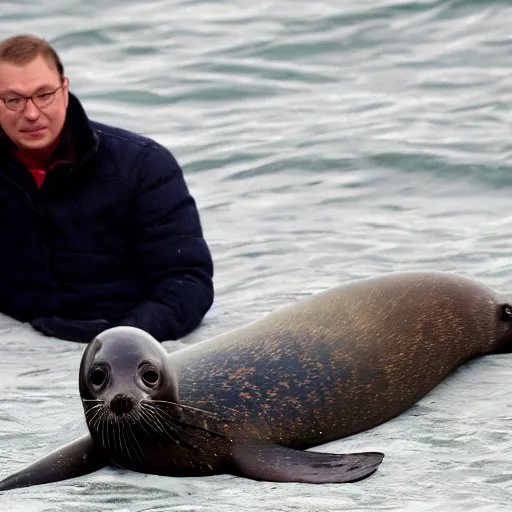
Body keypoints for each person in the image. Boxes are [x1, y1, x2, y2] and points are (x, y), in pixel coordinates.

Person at [0, 34, 214, 343]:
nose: (31, 113)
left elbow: (186, 280)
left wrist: (122, 340)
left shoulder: (143, 164)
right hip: (21, 341)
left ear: (64, 89)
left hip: (130, 339)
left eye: (43, 94)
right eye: (13, 100)